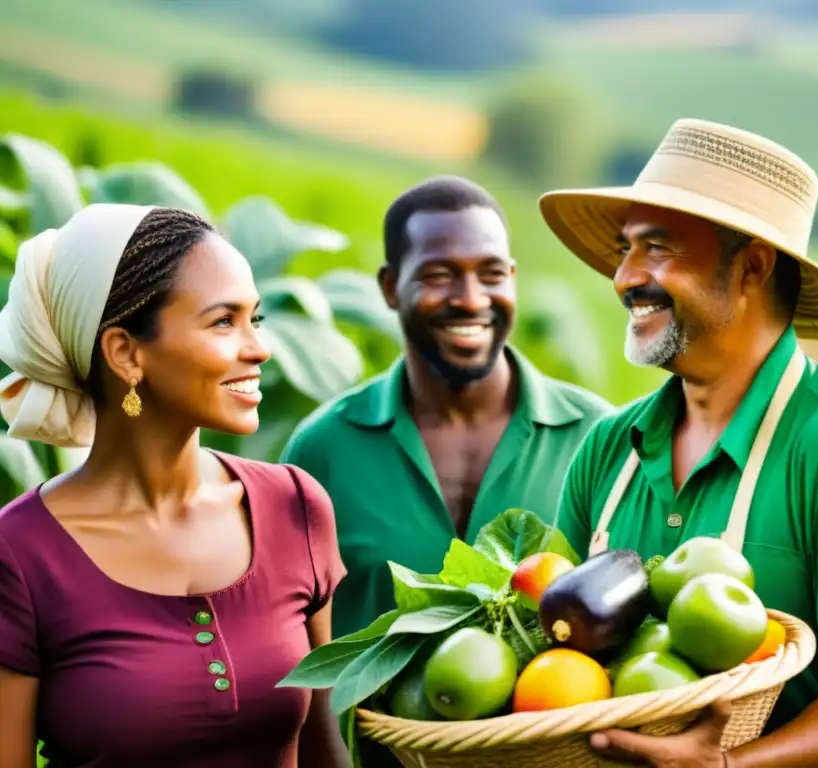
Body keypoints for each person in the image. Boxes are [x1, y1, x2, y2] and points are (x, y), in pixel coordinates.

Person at [541, 120, 818, 768]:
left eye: (656, 249)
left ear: (751, 267)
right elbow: (556, 660)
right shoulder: (611, 449)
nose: (625, 277)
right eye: (625, 249)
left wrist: (726, 767)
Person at [0, 204, 351, 768]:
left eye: (254, 319)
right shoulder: (20, 554)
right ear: (125, 352)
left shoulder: (296, 506)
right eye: (222, 322)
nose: (259, 348)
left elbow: (323, 748)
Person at [279, 175, 614, 640]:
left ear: (512, 279)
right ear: (391, 287)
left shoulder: (600, 438)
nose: (472, 299)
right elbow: (283, 637)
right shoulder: (323, 450)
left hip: (548, 712)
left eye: (491, 274)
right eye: (440, 275)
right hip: (371, 717)